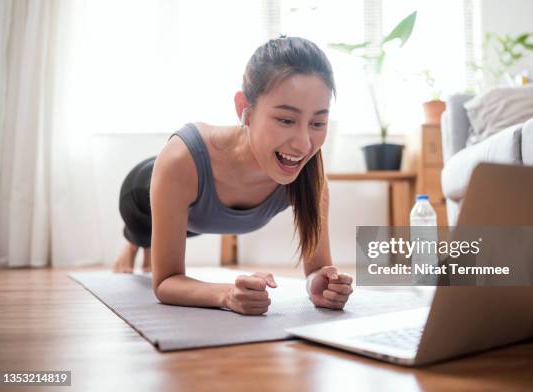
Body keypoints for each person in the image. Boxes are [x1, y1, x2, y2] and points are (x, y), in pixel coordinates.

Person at [113, 36, 353, 315]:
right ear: (245, 110)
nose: (303, 144)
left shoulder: (310, 175)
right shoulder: (180, 160)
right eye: (286, 120)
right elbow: (165, 282)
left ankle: (143, 244)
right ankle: (133, 242)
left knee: (182, 231)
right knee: (143, 231)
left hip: (197, 218)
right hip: (141, 195)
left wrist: (321, 283)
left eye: (318, 123)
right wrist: (227, 294)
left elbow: (318, 268)